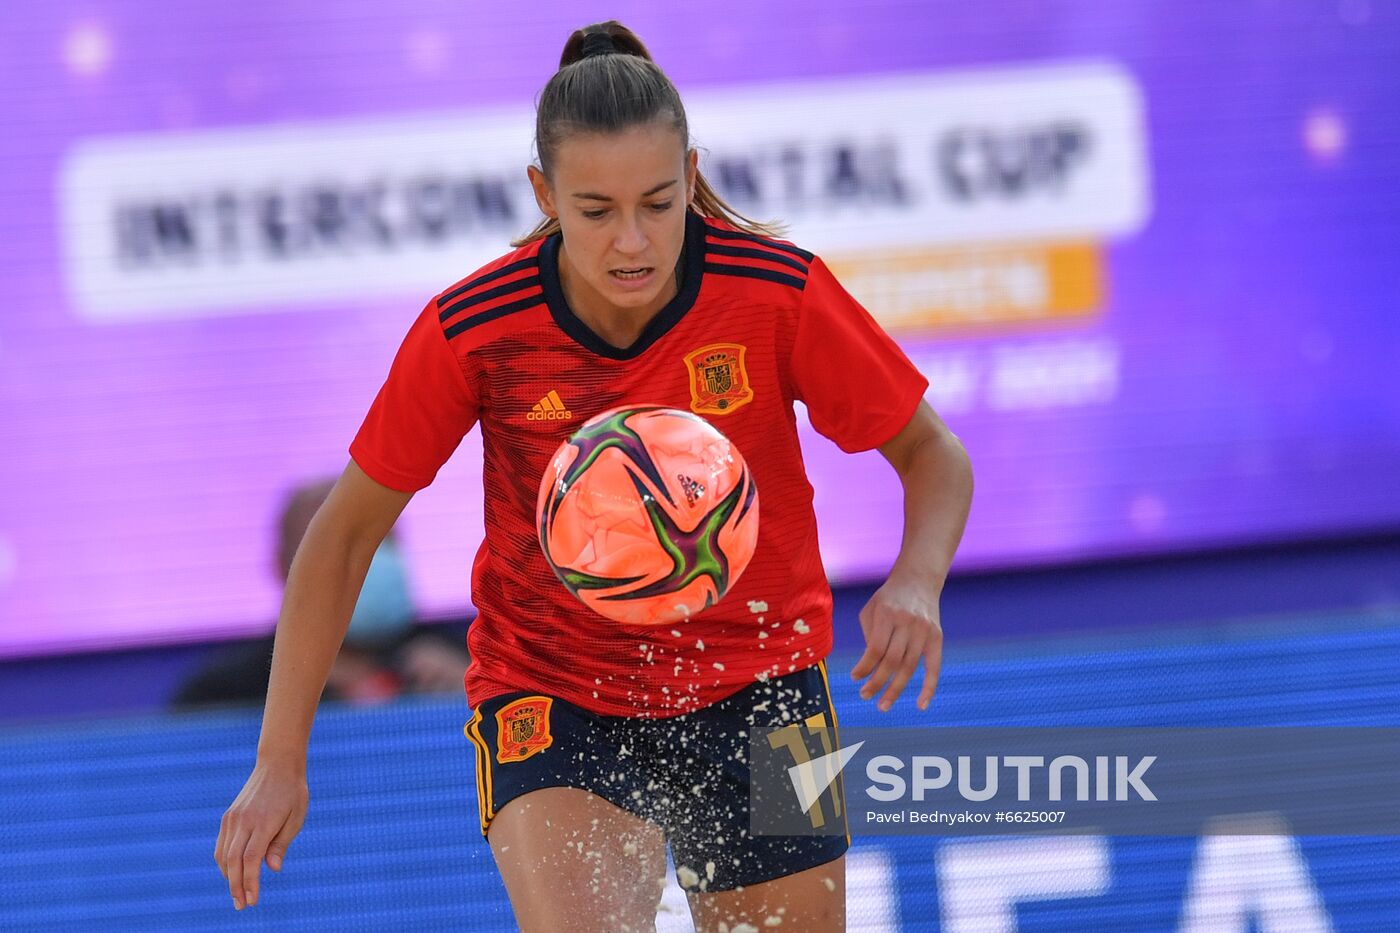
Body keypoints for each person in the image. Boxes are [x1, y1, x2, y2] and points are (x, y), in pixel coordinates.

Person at [216, 20, 972, 932]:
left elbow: (934, 455)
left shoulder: (776, 292)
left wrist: (917, 581)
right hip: (555, 692)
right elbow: (340, 539)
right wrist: (280, 756)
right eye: (596, 209)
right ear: (544, 192)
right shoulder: (477, 328)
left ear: (692, 177)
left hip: (763, 685)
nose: (631, 243)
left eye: (658, 202)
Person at [174, 479, 468, 710]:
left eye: (379, 542)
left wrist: (476, 699)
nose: (365, 563)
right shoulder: (224, 694)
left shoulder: (474, 663)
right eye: (334, 546)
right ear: (282, 567)